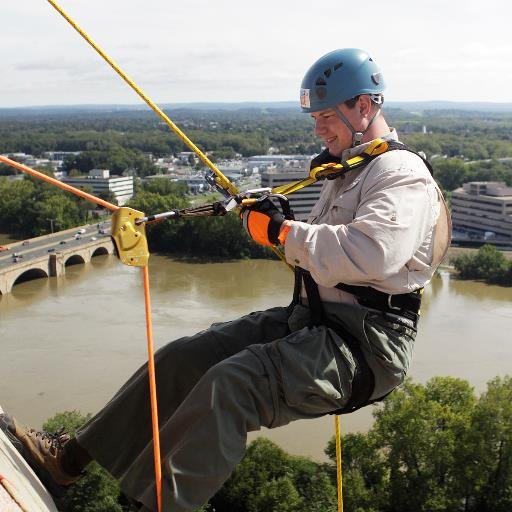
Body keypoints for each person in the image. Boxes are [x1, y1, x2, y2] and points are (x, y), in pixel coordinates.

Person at [2, 48, 451, 511]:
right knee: (183, 359)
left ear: (364, 106)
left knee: (232, 385)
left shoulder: (401, 174)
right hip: (315, 320)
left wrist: (282, 231)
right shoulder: (349, 171)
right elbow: (324, 255)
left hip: (367, 345)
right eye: (314, 117)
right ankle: (67, 462)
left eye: (325, 116)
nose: (318, 127)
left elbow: (371, 255)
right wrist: (282, 227)